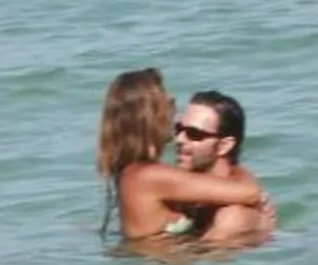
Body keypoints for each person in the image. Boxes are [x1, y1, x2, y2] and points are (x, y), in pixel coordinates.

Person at [96, 68, 270, 243]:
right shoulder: (148, 176)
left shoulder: (137, 175)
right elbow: (250, 192)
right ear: (150, 116)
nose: (173, 114)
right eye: (169, 105)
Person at [173, 89, 276, 246]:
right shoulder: (192, 192)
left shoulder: (232, 217)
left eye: (194, 134)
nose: (179, 139)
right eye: (179, 129)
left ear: (224, 146)